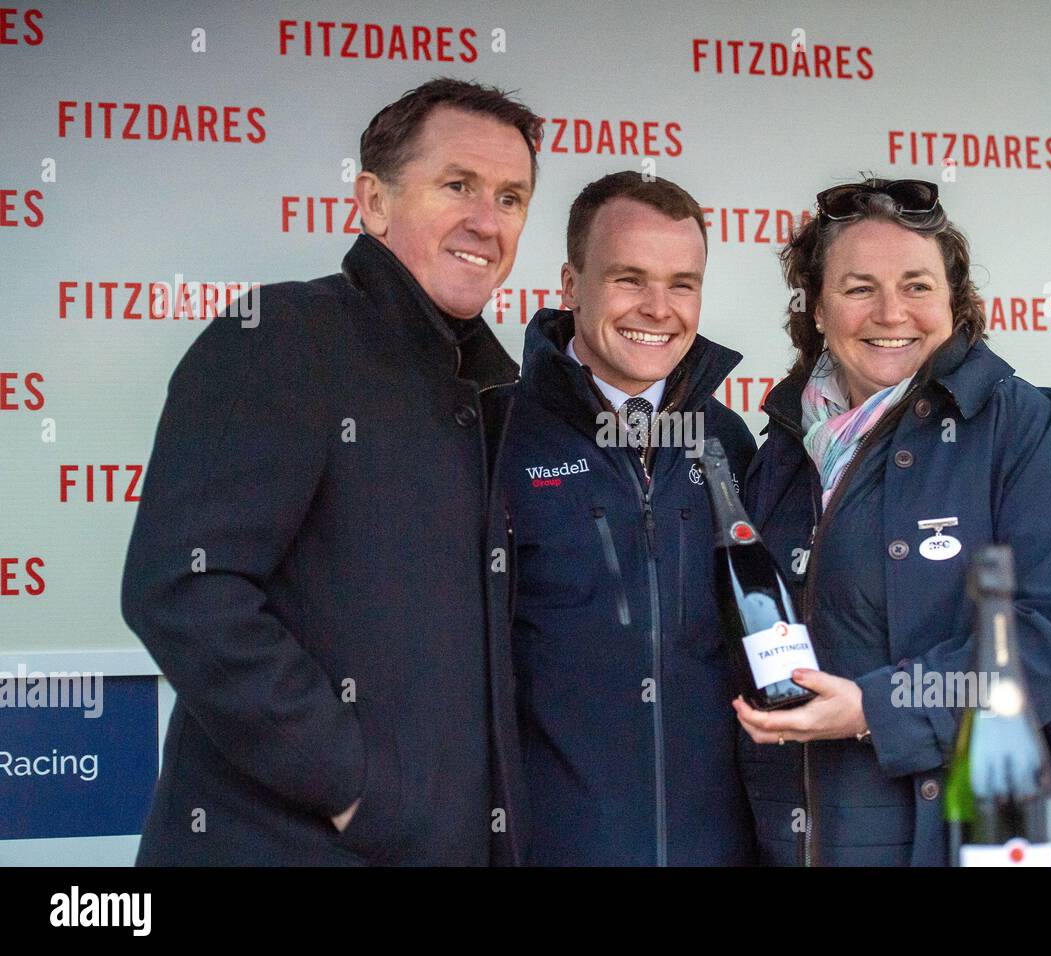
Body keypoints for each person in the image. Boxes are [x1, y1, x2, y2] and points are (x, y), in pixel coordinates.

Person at [121, 78, 542, 865]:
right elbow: (184, 586)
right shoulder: (284, 337)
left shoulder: (492, 392)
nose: (487, 222)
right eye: (458, 186)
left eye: (512, 197)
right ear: (374, 203)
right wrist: (352, 788)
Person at [733, 178, 1051, 866]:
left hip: (976, 836)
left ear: (954, 303)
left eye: (917, 285)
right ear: (818, 308)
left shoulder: (1022, 427)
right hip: (806, 838)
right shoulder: (783, 449)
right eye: (858, 289)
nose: (891, 313)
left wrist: (877, 711)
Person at [503, 172, 757, 865]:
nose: (658, 307)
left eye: (682, 283)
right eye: (628, 279)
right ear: (569, 284)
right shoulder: (497, 437)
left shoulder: (727, 442)